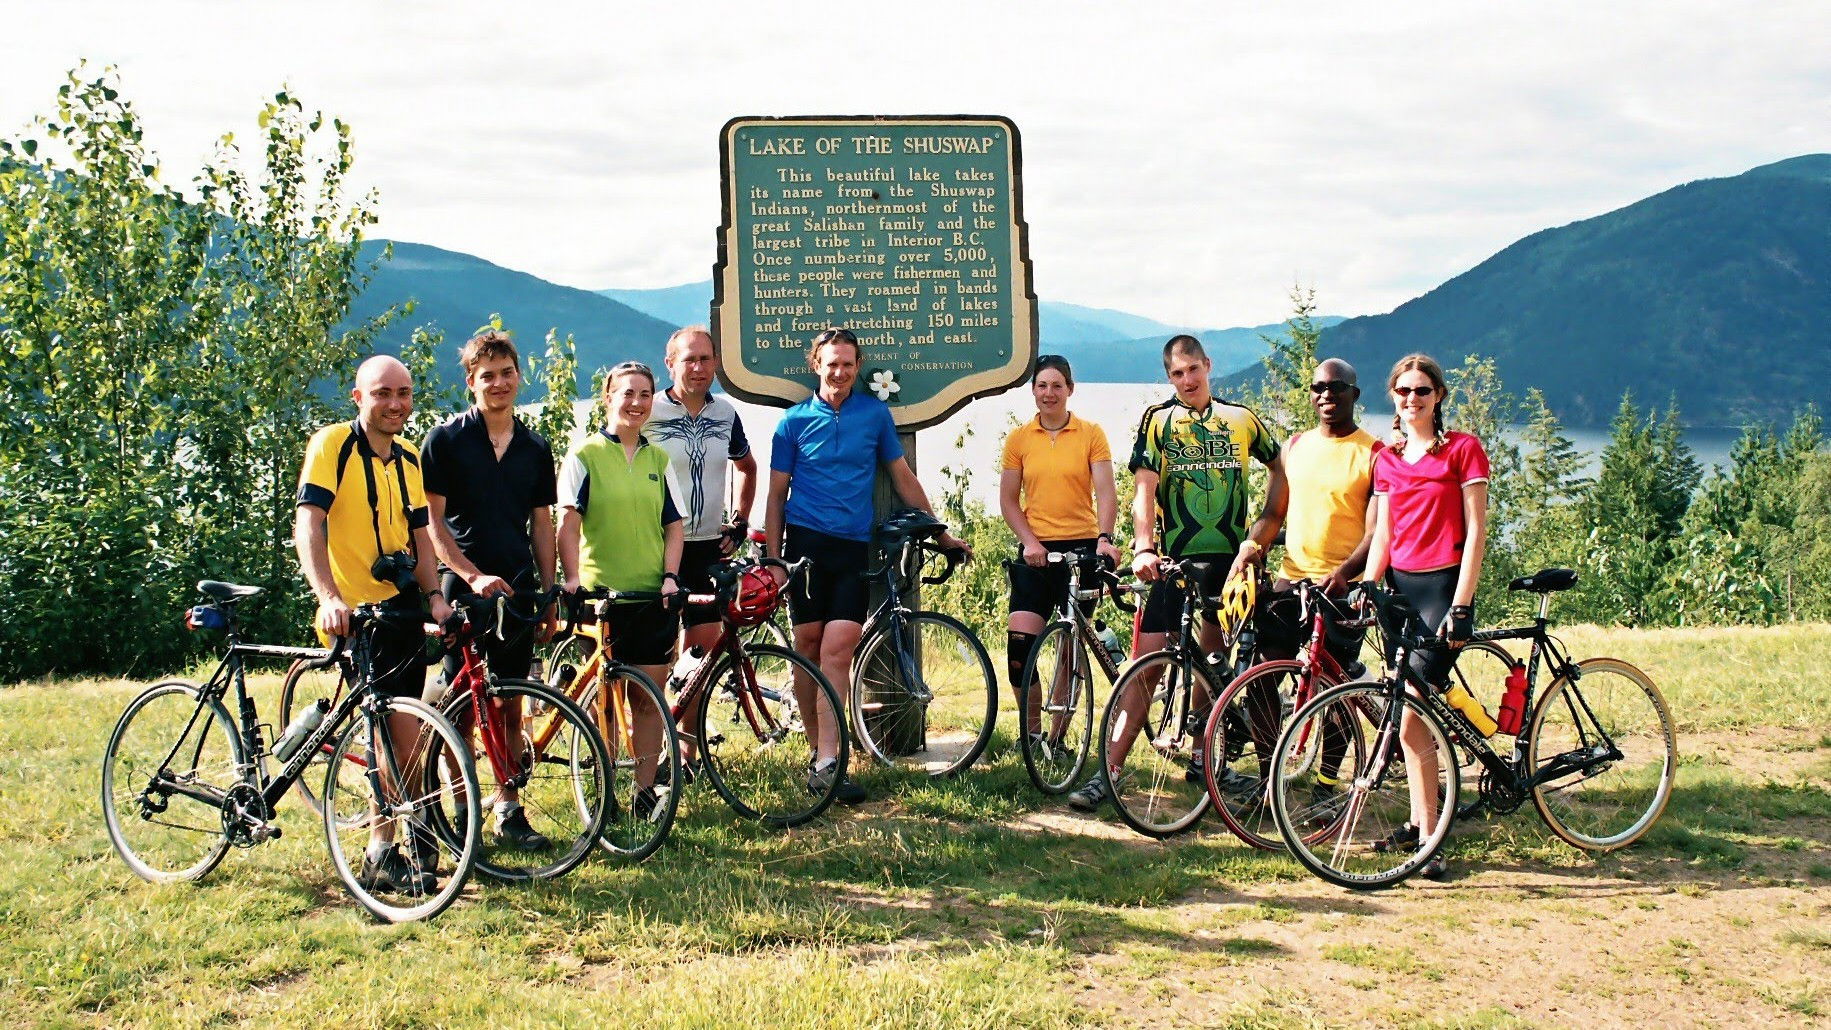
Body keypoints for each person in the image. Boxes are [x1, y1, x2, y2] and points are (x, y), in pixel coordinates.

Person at [1069, 334, 1284, 811]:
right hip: (1172, 563)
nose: (1187, 380)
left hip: (1229, 567)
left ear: (1209, 365)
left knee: (1210, 667)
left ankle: (1205, 762)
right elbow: (1143, 489)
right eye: (1176, 374)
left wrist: (1265, 530)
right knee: (1143, 669)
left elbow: (1280, 467)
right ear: (1168, 377)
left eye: (1193, 370)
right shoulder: (1159, 421)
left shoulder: (1241, 419)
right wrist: (1143, 546)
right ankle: (1112, 770)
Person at [764, 327, 971, 805]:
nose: (839, 372)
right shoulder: (792, 423)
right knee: (808, 646)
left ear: (858, 368)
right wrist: (775, 561)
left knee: (838, 649)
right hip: (805, 548)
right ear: (816, 364)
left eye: (848, 364)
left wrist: (939, 531)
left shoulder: (874, 415)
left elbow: (902, 478)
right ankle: (816, 752)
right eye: (831, 363)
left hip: (853, 547)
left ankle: (831, 763)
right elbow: (776, 497)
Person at [294, 354, 452, 894]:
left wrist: (435, 597)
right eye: (383, 393)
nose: (395, 404)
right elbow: (309, 523)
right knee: (396, 736)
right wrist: (327, 597)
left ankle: (408, 839)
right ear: (359, 397)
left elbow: (421, 538)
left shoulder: (408, 456)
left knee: (399, 733)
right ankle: (385, 847)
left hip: (400, 607)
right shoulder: (333, 445)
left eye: (403, 393)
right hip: (354, 614)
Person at [421, 329, 558, 851]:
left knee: (508, 700)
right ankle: (461, 810)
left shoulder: (534, 446)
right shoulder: (446, 440)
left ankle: (508, 808)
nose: (498, 384)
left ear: (518, 377)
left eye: (506, 373)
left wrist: (548, 592)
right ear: (470, 383)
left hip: (519, 586)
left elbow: (541, 525)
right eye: (487, 377)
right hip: (463, 584)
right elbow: (432, 525)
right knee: (459, 701)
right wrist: (470, 573)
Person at [1361, 352, 1491, 879]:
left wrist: (1461, 605)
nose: (1411, 399)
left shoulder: (1463, 450)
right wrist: (1368, 588)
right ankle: (1421, 822)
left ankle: (1431, 840)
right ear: (1392, 397)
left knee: (1413, 710)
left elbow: (1478, 531)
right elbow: (1385, 535)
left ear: (1438, 395)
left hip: (1443, 587)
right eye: (1402, 391)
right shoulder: (1387, 458)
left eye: (1421, 390)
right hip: (1400, 591)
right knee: (1405, 713)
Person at [1236, 357, 1381, 803]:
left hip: (1344, 586)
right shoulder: (1294, 447)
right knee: (1261, 676)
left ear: (1354, 394)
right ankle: (1267, 777)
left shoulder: (1375, 453)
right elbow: (1272, 513)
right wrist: (1251, 546)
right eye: (1318, 387)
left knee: (1334, 689)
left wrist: (1344, 576)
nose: (1325, 395)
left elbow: (1377, 532)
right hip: (1291, 580)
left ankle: (1326, 784)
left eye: (1336, 387)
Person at [557, 361, 685, 820]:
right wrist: (571, 578)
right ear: (608, 397)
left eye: (645, 394)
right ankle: (605, 785)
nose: (636, 403)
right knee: (606, 703)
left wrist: (671, 575)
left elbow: (674, 526)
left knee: (648, 699)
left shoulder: (658, 459)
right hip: (602, 597)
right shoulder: (585, 455)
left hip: (651, 595)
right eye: (627, 393)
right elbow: (568, 523)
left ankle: (645, 791)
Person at [999, 355, 1121, 750]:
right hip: (1036, 551)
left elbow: (1105, 491)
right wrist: (1030, 542)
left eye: (1056, 386)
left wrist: (1104, 538)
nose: (1048, 394)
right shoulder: (1019, 439)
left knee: (1070, 650)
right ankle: (1032, 735)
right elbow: (1008, 501)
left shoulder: (1091, 433)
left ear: (1070, 389)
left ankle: (1057, 739)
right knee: (1020, 648)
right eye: (1041, 386)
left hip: (1083, 550)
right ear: (1032, 390)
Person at [645, 325, 758, 668]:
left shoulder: (725, 413)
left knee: (699, 663)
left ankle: (686, 725)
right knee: (655, 661)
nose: (698, 367)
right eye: (689, 359)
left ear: (716, 363)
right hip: (656, 546)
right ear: (670, 363)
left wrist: (740, 522)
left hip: (706, 547)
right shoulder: (648, 411)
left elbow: (747, 468)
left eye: (705, 359)